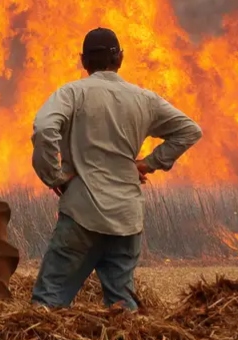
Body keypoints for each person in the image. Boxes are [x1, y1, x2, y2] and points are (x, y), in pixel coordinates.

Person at [29, 27, 202, 311]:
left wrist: (54, 176)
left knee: (47, 305)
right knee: (122, 311)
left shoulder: (72, 93)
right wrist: (149, 163)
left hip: (82, 215)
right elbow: (189, 131)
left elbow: (45, 128)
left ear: (84, 61)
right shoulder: (144, 99)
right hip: (126, 219)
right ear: (120, 58)